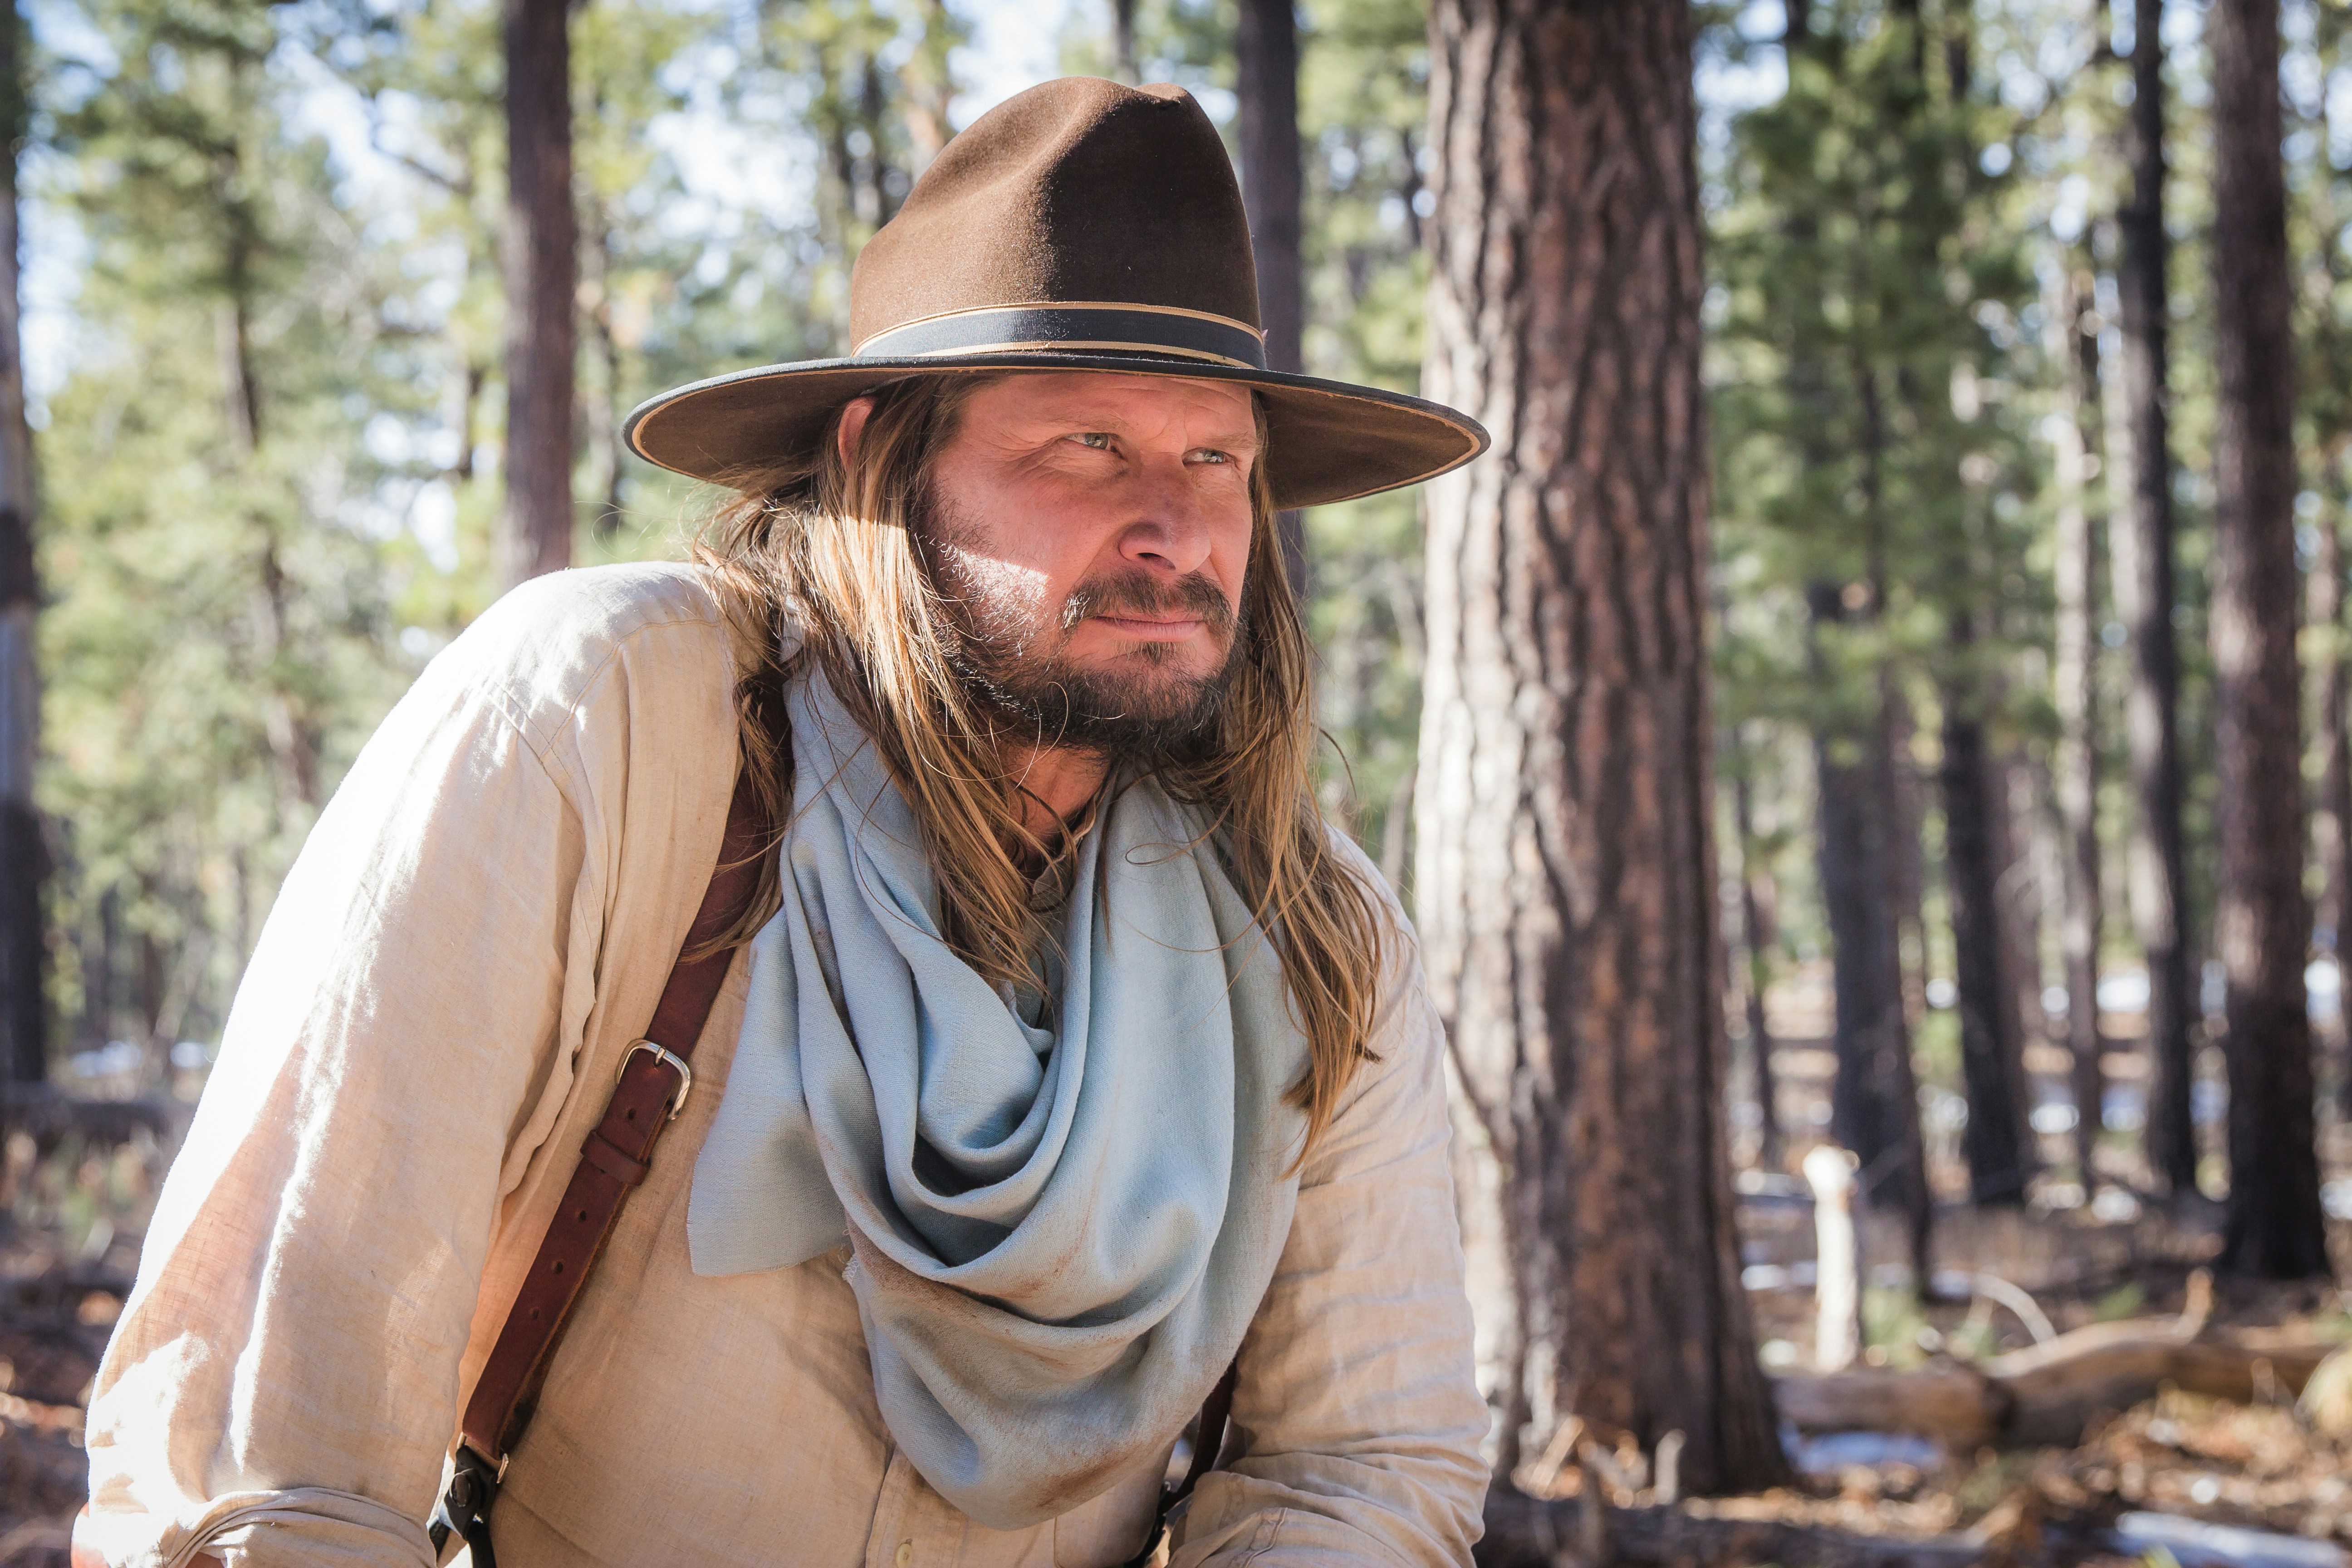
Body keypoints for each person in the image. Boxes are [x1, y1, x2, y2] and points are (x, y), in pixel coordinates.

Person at [76, 76, 1492, 1568]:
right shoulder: (609, 728)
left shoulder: (1311, 929)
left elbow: (1362, 1464)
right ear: (883, 458)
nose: (1176, 530)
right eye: (1089, 445)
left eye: (1217, 460)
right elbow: (269, 1439)